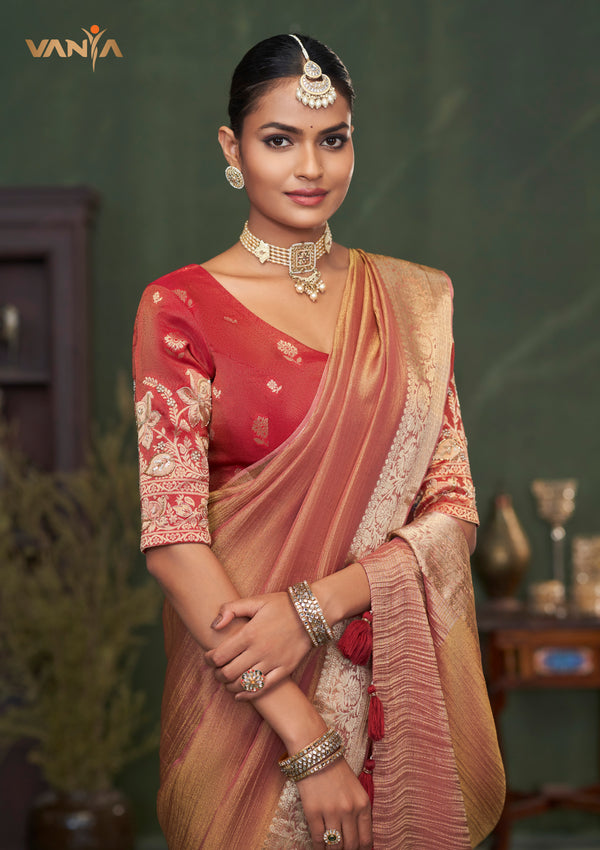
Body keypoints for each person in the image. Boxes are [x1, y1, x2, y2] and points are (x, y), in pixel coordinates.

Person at [132, 33, 505, 850]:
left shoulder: (411, 303)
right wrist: (309, 740)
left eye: (332, 139)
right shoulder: (180, 307)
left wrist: (313, 608)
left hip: (383, 681)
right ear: (232, 149)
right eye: (280, 140)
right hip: (242, 702)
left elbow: (453, 508)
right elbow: (171, 536)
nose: (311, 167)